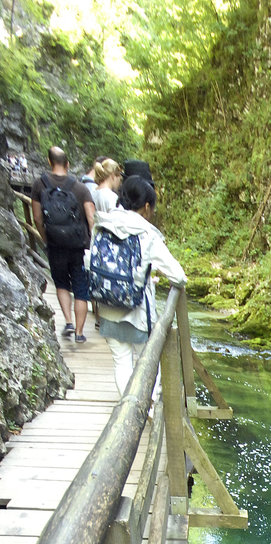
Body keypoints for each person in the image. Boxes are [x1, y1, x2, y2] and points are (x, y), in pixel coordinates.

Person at [91, 174, 186, 395]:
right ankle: (150, 408)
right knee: (148, 362)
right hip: (137, 311)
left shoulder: (103, 223)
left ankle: (128, 408)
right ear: (146, 206)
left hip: (106, 305)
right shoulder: (146, 233)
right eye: (152, 208)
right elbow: (178, 276)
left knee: (121, 362)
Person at [31, 146, 95, 342]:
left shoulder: (39, 185)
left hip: (55, 243)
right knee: (80, 288)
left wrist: (46, 238)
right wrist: (92, 245)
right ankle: (80, 333)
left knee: (61, 284)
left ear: (50, 162)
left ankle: (68, 321)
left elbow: (37, 217)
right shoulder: (80, 187)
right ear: (67, 164)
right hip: (77, 245)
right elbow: (92, 219)